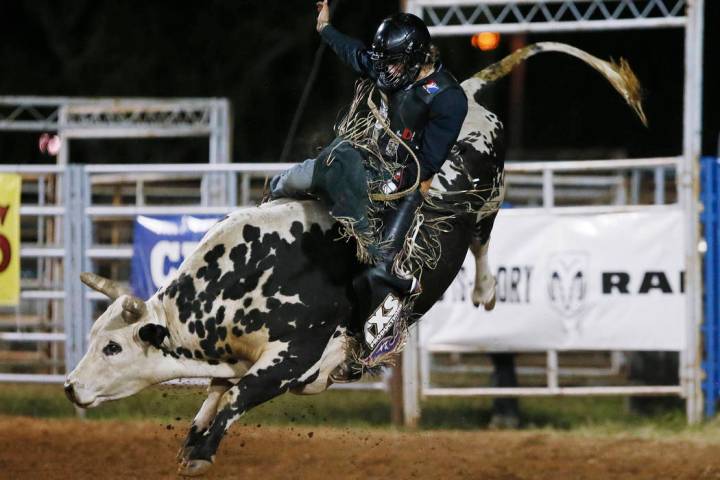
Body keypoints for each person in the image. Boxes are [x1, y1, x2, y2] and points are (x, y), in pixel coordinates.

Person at [270, 2, 468, 380]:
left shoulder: (447, 98)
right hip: (369, 160)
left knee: (378, 264)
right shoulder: (387, 68)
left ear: (414, 59)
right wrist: (325, 28)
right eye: (383, 60)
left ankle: (382, 336)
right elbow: (354, 52)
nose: (383, 68)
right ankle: (270, 199)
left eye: (392, 61)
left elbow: (426, 164)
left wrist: (392, 190)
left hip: (406, 183)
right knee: (300, 178)